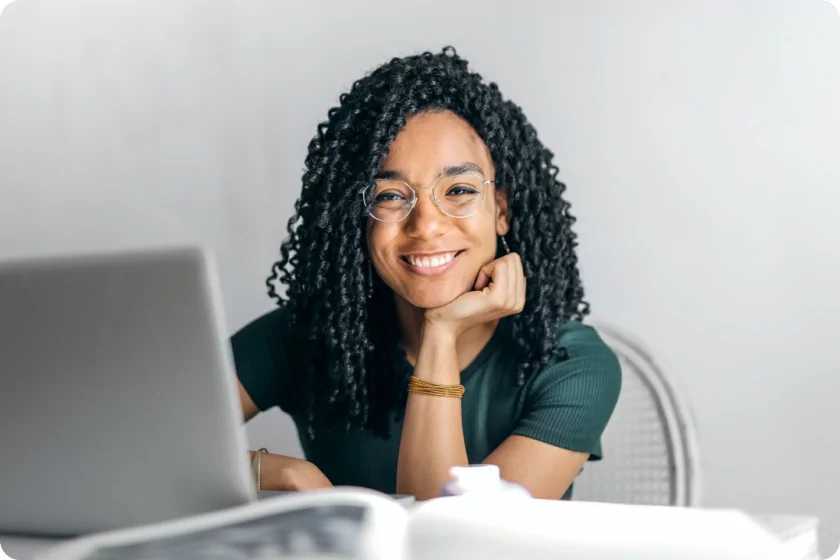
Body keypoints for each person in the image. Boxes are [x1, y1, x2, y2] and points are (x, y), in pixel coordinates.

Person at [231, 46, 622, 501]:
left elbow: (453, 543)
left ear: (501, 211)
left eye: (458, 190)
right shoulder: (305, 336)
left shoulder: (570, 364)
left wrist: (441, 332)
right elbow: (140, 445)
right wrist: (281, 472)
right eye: (390, 196)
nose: (427, 225)